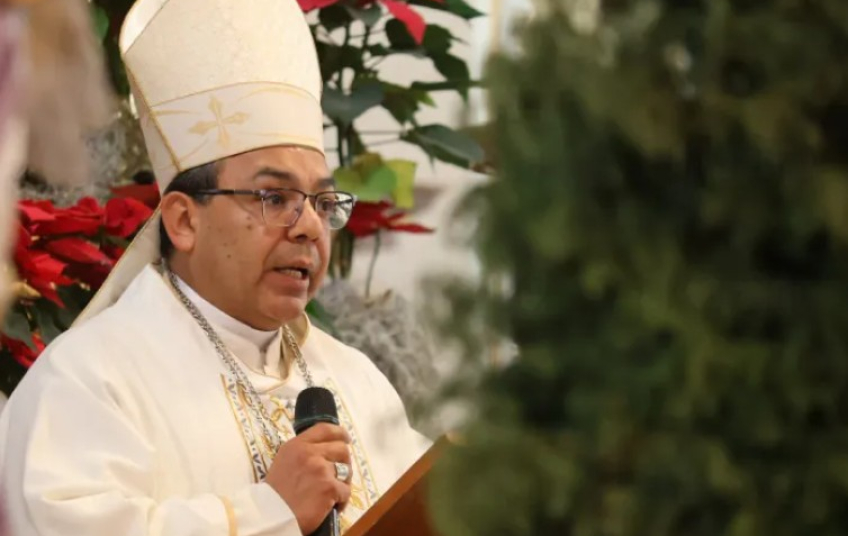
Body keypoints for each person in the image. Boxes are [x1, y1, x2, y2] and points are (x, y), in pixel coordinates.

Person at [0, 0, 431, 534]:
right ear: (184, 220)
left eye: (322, 202)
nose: (309, 227)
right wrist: (270, 511)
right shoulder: (88, 383)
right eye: (274, 197)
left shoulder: (356, 380)